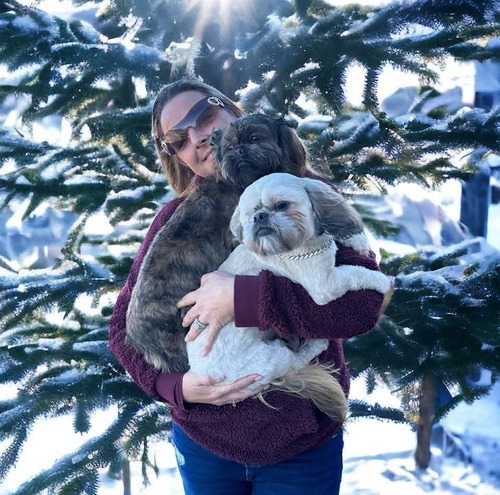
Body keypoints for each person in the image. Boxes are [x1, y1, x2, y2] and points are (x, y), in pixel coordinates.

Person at [109, 78, 386, 495]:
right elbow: (122, 328)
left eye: (204, 116)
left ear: (232, 110)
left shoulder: (308, 194)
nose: (197, 138)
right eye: (178, 140)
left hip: (301, 444)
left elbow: (362, 307)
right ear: (176, 157)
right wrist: (175, 388)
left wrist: (243, 299)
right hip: (204, 443)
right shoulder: (175, 219)